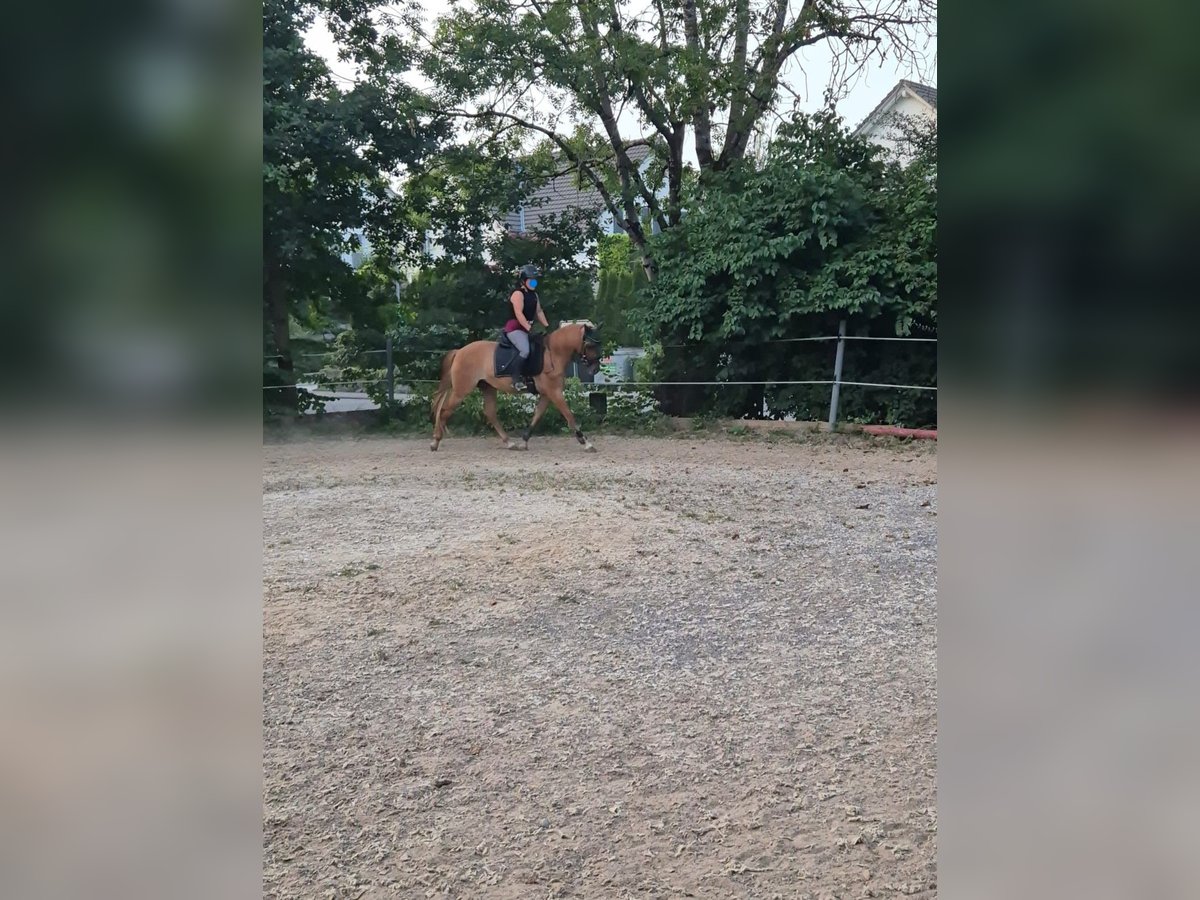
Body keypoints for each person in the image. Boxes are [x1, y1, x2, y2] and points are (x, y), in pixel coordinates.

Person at [504, 264, 549, 392]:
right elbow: (519, 314)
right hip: (515, 328)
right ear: (524, 280)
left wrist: (547, 327)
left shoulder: (534, 295)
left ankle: (532, 377)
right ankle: (515, 379)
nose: (534, 283)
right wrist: (529, 328)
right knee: (525, 350)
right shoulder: (518, 294)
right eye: (531, 280)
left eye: (535, 280)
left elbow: (539, 312)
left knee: (540, 347)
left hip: (526, 328)